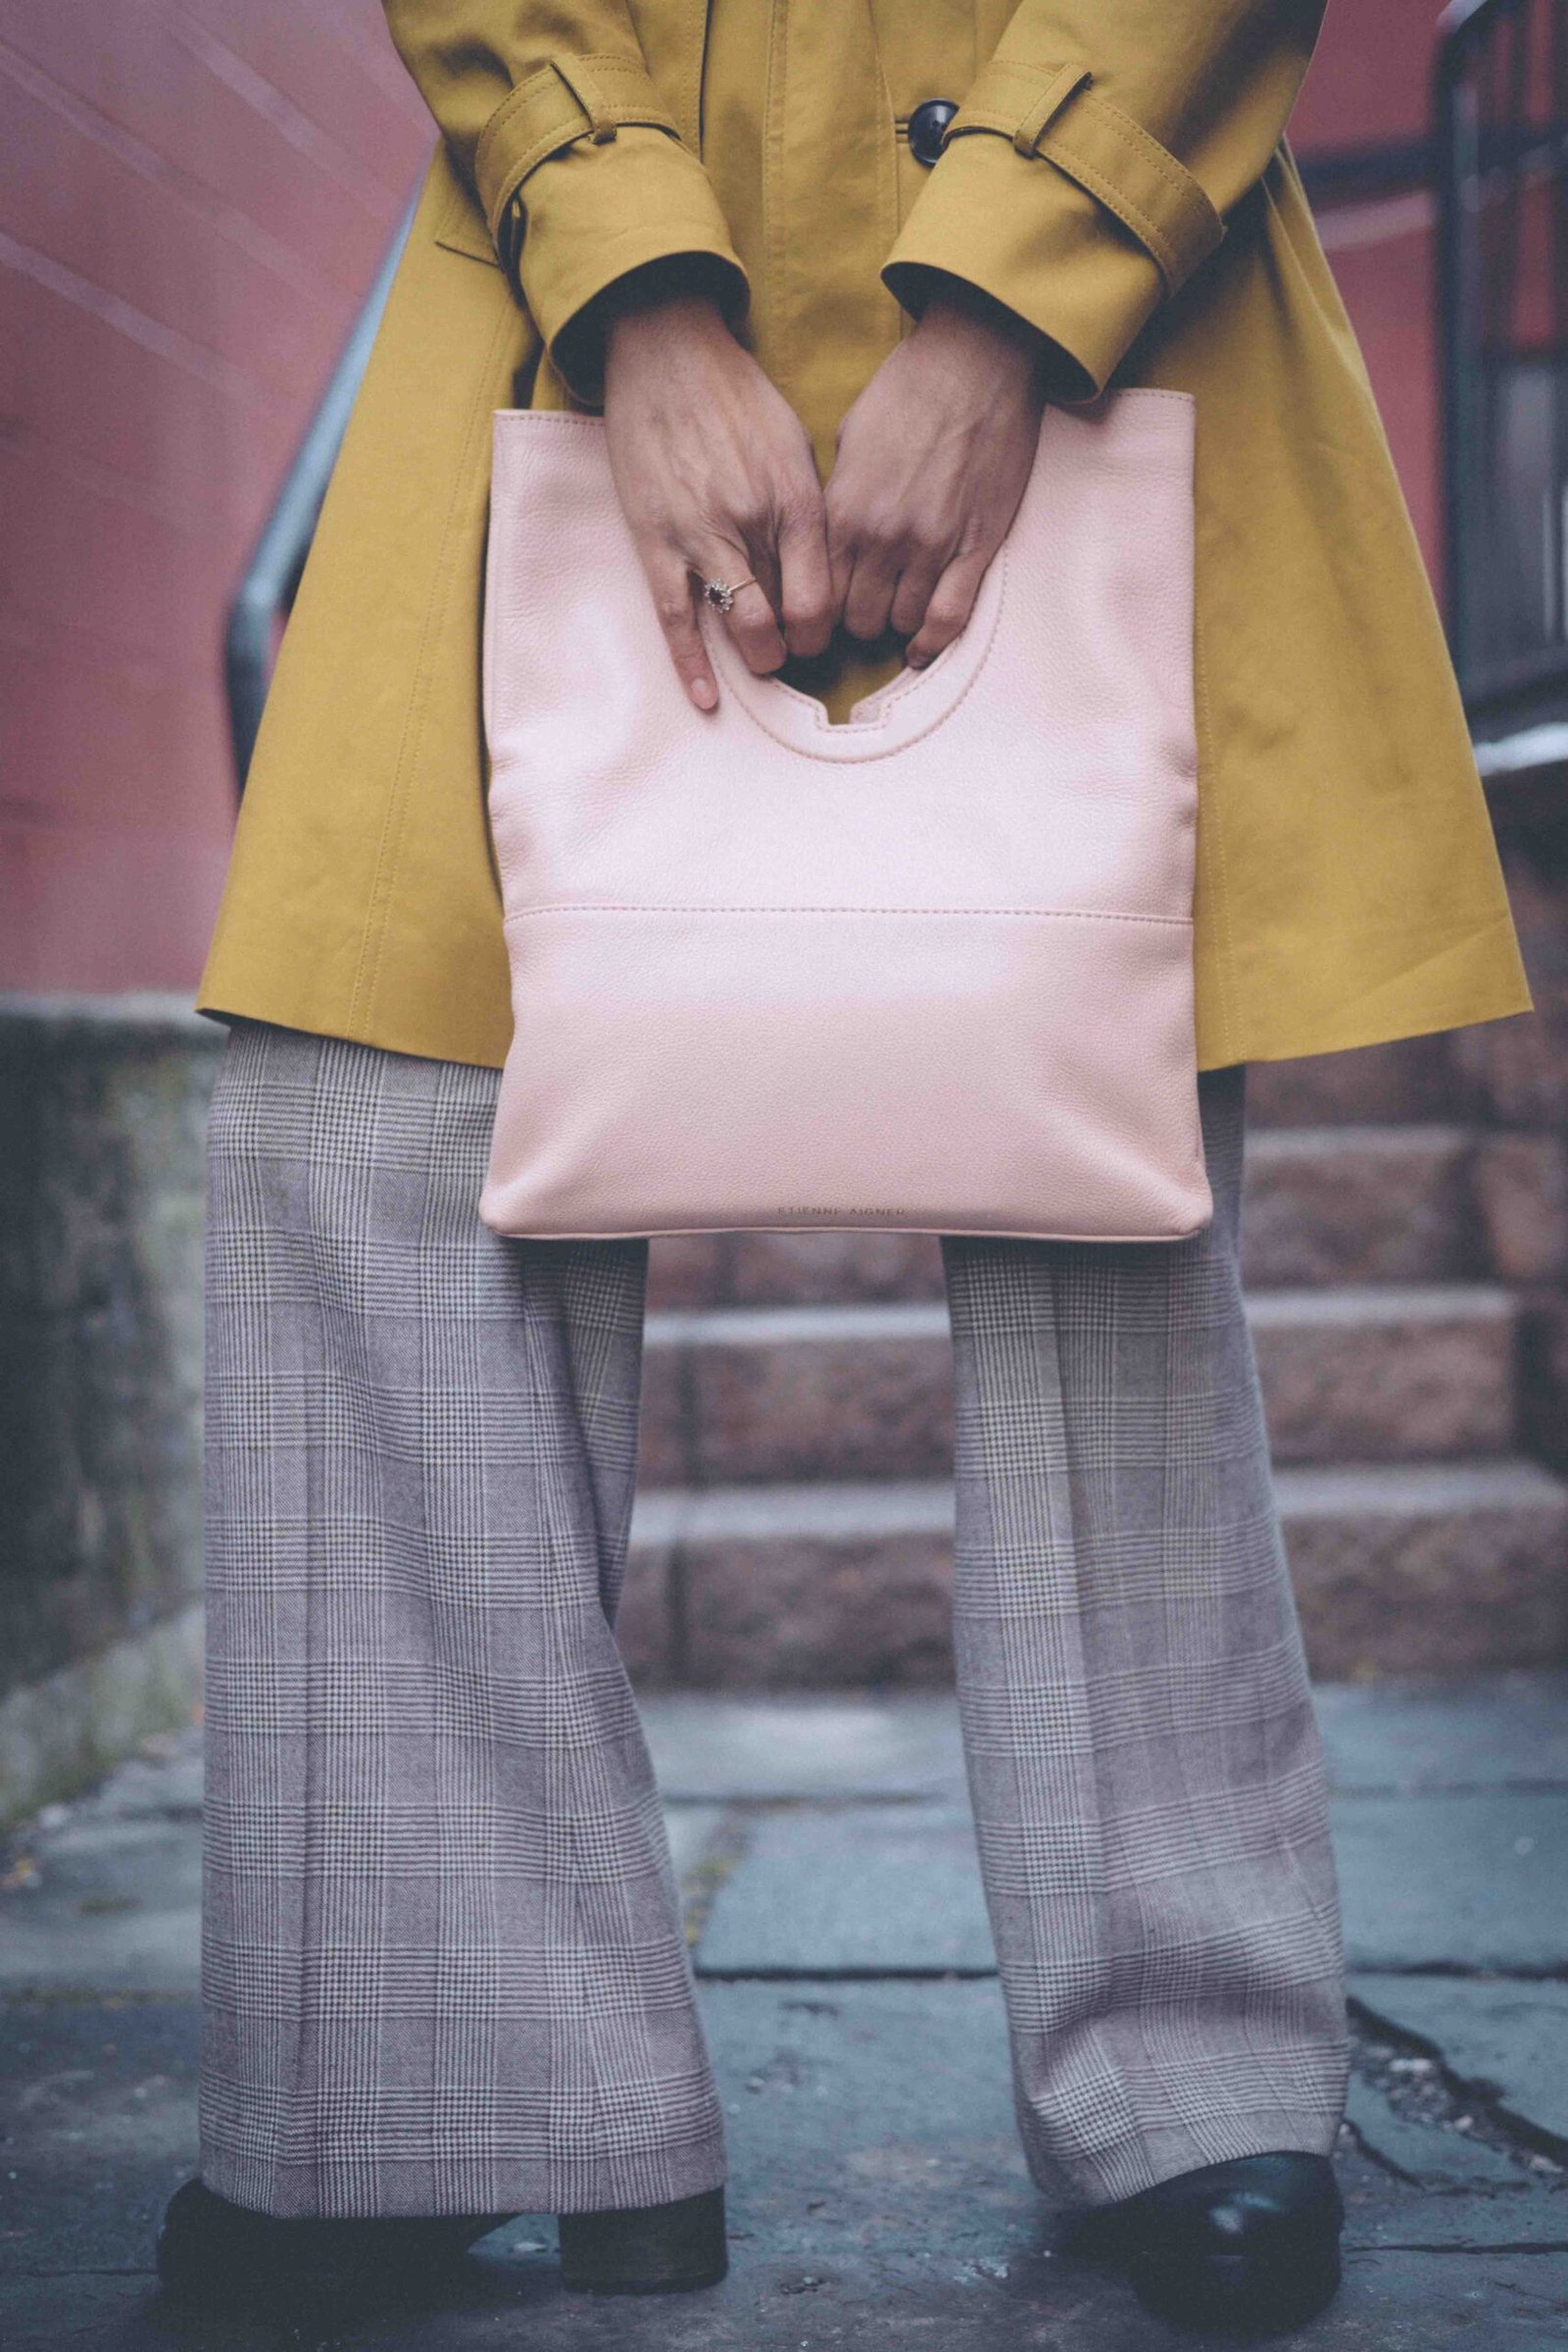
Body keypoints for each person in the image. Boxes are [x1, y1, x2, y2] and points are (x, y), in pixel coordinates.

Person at [156, 0, 1531, 2332]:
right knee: (361, 1116)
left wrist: (1011, 285)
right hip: (569, 268)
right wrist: (636, 277)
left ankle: (1185, 2067)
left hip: (1095, 243)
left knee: (1091, 1142)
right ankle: (422, 2074)